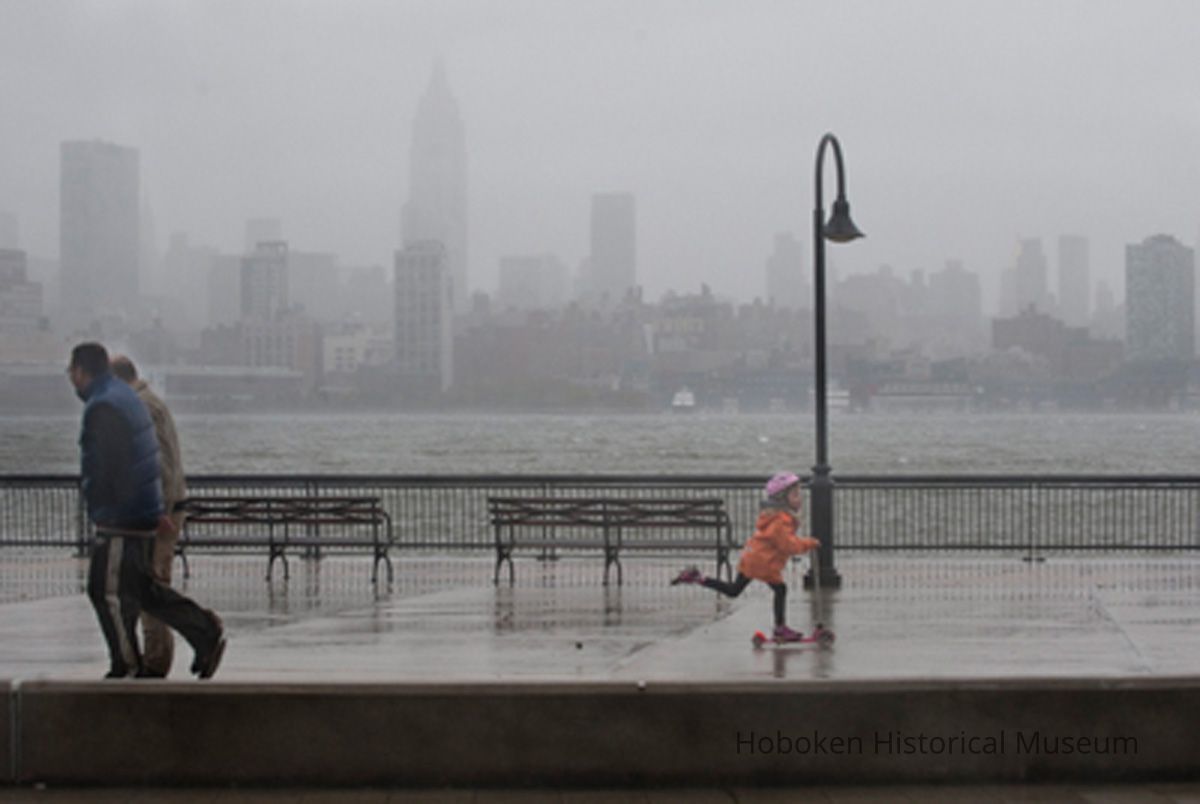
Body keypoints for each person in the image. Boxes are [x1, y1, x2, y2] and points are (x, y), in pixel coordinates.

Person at [67, 342, 225, 679]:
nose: (70, 377)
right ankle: (203, 631)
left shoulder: (104, 405)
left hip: (121, 518)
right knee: (141, 589)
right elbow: (148, 461)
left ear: (80, 370)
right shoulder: (128, 398)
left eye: (71, 370)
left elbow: (113, 465)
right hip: (140, 513)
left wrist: (111, 510)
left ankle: (128, 665)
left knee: (107, 592)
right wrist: (153, 509)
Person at [671, 472, 819, 640]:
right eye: (795, 495)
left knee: (734, 590)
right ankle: (780, 627)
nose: (799, 499)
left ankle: (699, 578)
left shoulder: (772, 517)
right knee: (780, 589)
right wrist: (809, 543)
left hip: (751, 556)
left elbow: (782, 541)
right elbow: (788, 545)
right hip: (763, 562)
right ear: (782, 500)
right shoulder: (780, 521)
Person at [111, 354, 186, 678]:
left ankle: (160, 658)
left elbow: (158, 465)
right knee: (149, 584)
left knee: (150, 585)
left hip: (160, 512)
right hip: (166, 506)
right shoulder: (149, 403)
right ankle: (157, 655)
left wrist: (157, 510)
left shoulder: (141, 407)